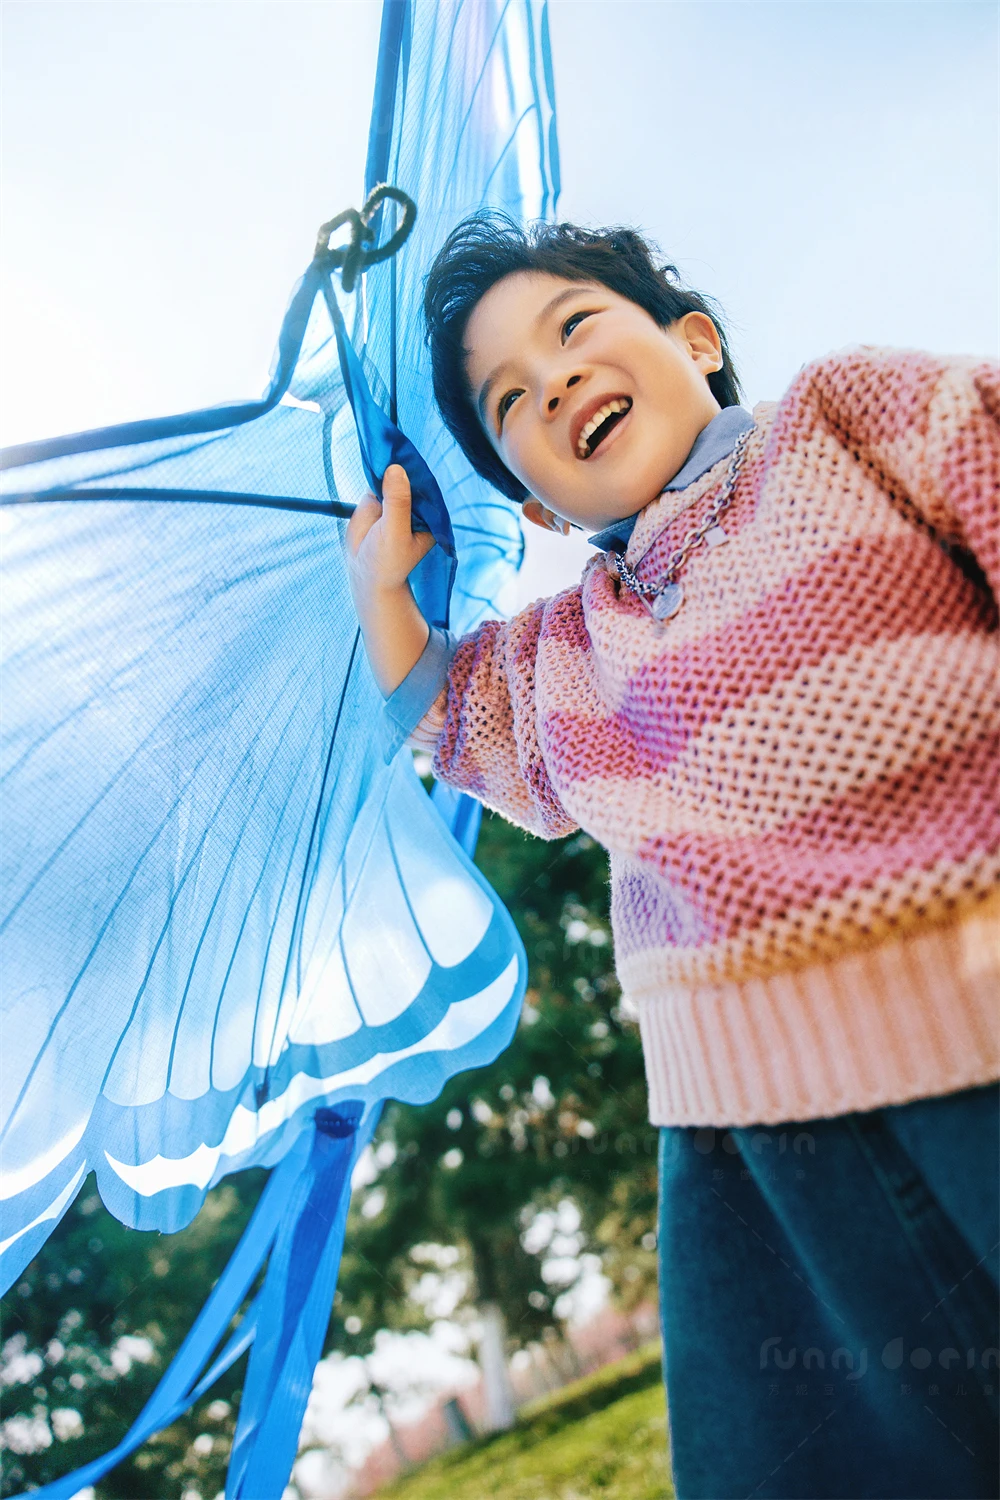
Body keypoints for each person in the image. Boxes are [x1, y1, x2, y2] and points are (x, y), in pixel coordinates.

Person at [345, 213, 1000, 1500]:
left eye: (575, 327)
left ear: (691, 339)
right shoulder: (568, 647)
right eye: (512, 400)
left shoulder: (847, 418)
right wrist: (384, 596)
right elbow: (453, 721)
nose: (555, 383)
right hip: (750, 1150)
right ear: (535, 501)